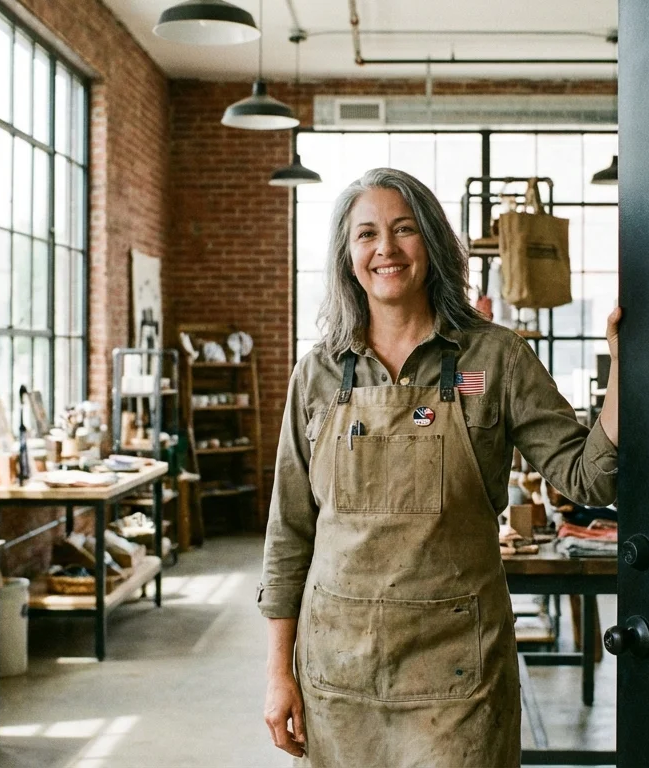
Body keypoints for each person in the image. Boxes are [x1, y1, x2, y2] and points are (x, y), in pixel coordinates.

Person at [259, 167, 620, 766]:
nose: (386, 249)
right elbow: (289, 532)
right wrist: (279, 672)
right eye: (366, 235)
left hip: (458, 674)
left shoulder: (495, 357)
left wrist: (622, 371)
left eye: (404, 230)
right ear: (348, 257)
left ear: (431, 242)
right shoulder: (317, 374)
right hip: (338, 675)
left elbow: (589, 477)